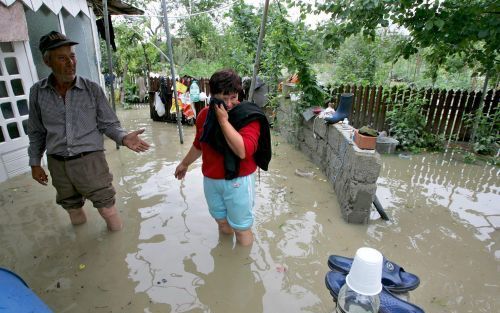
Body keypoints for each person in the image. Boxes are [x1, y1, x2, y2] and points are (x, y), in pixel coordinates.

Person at [27, 31, 150, 231]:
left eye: (72, 56)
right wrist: (35, 163)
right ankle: (81, 246)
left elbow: (108, 124)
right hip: (57, 164)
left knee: (107, 208)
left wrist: (123, 137)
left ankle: (117, 251)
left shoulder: (92, 89)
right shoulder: (37, 92)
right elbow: (36, 131)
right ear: (47, 62)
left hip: (90, 162)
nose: (70, 62)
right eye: (62, 58)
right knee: (72, 208)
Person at [174, 69, 271, 246]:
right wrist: (184, 163)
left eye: (233, 98)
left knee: (241, 229)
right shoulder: (204, 115)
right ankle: (224, 255)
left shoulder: (248, 116)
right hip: (212, 180)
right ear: (212, 96)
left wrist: (224, 121)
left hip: (238, 181)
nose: (228, 104)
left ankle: (242, 268)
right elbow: (199, 144)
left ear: (238, 94)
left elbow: (243, 151)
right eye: (222, 99)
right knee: (221, 222)